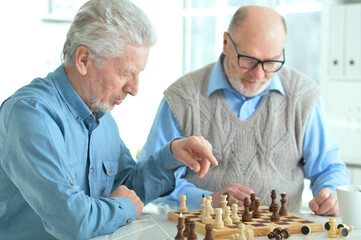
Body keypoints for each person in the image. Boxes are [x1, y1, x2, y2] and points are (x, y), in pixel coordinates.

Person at [0, 0, 218, 239]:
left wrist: (173, 154)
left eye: (138, 74)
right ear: (84, 59)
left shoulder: (102, 117)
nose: (134, 89)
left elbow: (129, 188)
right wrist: (123, 207)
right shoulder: (31, 114)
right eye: (126, 72)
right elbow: (72, 221)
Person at [138, 5, 350, 216]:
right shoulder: (182, 98)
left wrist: (330, 194)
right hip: (202, 231)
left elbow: (329, 169)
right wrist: (205, 201)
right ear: (225, 43)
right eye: (248, 59)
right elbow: (149, 179)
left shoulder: (303, 97)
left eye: (271, 62)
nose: (258, 75)